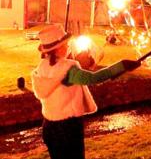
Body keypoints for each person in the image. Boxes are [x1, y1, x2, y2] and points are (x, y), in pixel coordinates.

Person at [31, 24, 140, 159]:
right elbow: (93, 78)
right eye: (66, 44)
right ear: (58, 48)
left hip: (48, 127)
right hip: (67, 129)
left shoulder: (42, 66)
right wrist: (122, 66)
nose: (68, 47)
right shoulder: (67, 70)